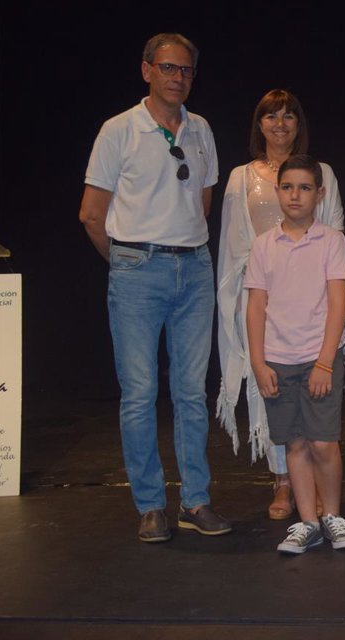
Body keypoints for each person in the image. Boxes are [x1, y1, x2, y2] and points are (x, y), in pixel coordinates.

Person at [79, 32, 231, 542]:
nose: (177, 77)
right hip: (137, 269)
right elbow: (91, 214)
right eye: (168, 68)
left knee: (191, 392)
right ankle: (150, 505)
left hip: (194, 268)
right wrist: (128, 262)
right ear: (146, 70)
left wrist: (179, 247)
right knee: (140, 393)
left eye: (185, 70)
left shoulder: (201, 128)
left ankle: (196, 500)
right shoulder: (118, 130)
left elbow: (203, 202)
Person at [216, 89, 344, 521]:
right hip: (260, 293)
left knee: (316, 399)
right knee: (268, 391)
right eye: (271, 116)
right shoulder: (241, 177)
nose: (280, 124)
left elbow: (334, 228)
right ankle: (283, 481)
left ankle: (320, 488)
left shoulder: (322, 172)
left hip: (312, 300)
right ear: (260, 124)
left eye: (289, 116)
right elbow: (232, 240)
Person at [244, 156, 345, 554]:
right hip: (277, 359)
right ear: (278, 192)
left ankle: (333, 516)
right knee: (294, 443)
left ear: (319, 194)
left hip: (318, 357)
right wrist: (258, 363)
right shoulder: (263, 245)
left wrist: (325, 361)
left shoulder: (332, 241)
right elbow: (256, 307)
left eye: (305, 188)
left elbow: (338, 304)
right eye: (288, 187)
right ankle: (308, 521)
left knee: (323, 442)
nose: (295, 195)